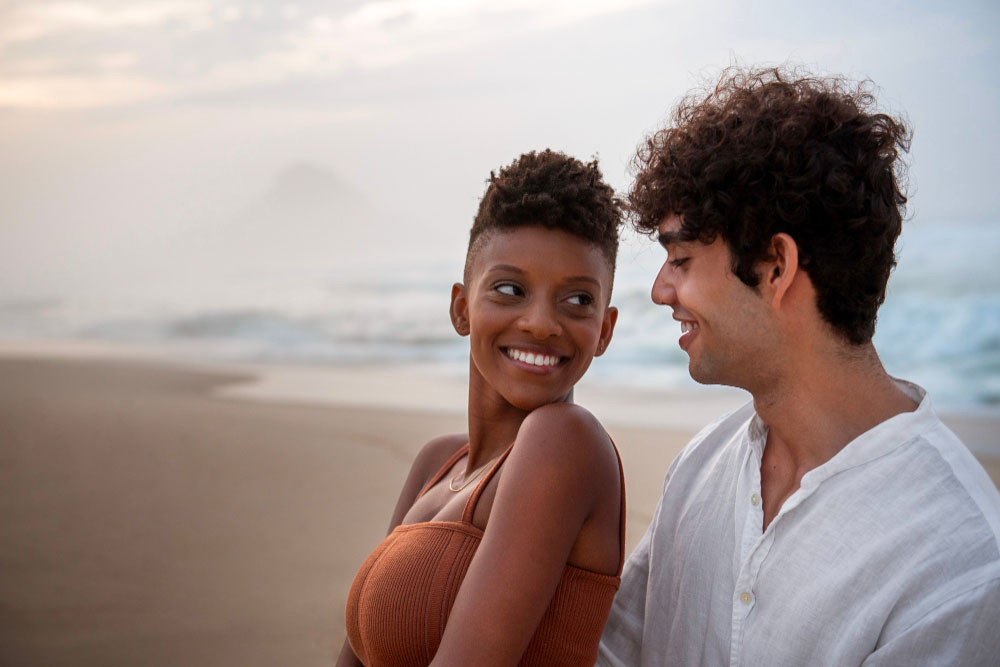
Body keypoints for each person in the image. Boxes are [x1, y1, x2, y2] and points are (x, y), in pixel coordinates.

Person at [597, 67, 1000, 665]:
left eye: (680, 258)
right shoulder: (701, 467)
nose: (660, 291)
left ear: (776, 267)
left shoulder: (957, 563)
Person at [338, 149, 626, 666]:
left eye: (578, 300)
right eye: (510, 289)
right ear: (461, 307)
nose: (541, 323)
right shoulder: (436, 464)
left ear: (604, 329)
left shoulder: (566, 442)